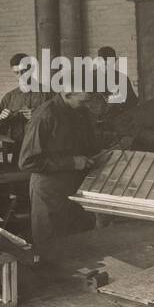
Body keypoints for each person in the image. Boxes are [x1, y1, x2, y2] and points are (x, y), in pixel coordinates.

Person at [18, 83, 101, 245]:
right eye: (84, 101)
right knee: (52, 248)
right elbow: (27, 162)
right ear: (68, 93)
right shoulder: (45, 115)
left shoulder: (80, 112)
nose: (87, 105)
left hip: (76, 190)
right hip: (50, 193)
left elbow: (86, 145)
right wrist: (72, 162)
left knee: (80, 245)